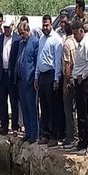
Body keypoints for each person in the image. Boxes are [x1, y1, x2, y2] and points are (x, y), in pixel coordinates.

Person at [35, 15, 63, 147]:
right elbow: (39, 58)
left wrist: (57, 79)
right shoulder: (41, 39)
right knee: (44, 106)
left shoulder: (56, 40)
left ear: (51, 24)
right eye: (43, 25)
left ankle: (53, 135)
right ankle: (45, 133)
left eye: (47, 25)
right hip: (42, 75)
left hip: (51, 75)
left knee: (53, 107)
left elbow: (58, 61)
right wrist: (36, 76)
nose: (45, 27)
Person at [72, 21, 88, 153]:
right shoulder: (84, 42)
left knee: (83, 112)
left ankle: (85, 142)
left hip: (83, 81)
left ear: (81, 31)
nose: (74, 37)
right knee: (80, 111)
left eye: (75, 34)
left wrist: (83, 75)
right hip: (79, 79)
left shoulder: (85, 45)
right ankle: (82, 139)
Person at [0, 19, 20, 135]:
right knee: (2, 100)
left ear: (12, 26)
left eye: (8, 27)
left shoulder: (17, 39)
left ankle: (14, 126)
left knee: (14, 101)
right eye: (5, 28)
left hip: (12, 74)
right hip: (2, 74)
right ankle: (4, 126)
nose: (6, 30)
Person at [15, 22, 39, 143]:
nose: (21, 35)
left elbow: (36, 62)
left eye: (22, 33)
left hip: (30, 81)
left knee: (31, 108)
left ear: (27, 31)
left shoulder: (34, 42)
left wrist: (35, 78)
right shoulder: (21, 44)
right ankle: (28, 132)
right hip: (21, 81)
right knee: (24, 108)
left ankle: (35, 133)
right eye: (19, 33)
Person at [62, 21, 77, 149]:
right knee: (74, 109)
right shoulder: (76, 42)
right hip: (76, 77)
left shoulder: (67, 44)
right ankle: (75, 134)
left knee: (68, 108)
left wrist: (65, 83)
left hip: (70, 78)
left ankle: (70, 137)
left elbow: (67, 65)